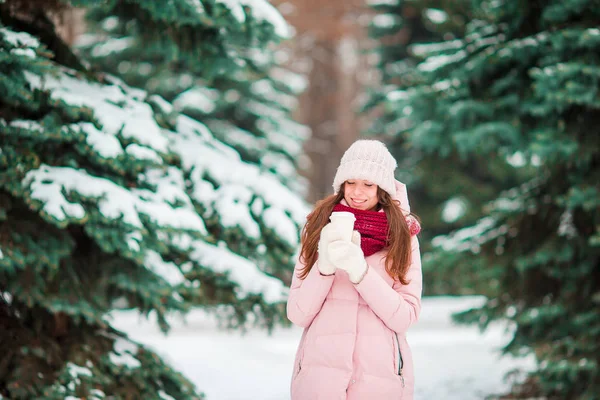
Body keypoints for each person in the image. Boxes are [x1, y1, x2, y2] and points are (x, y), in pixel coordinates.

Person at [287, 139, 422, 400]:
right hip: (319, 381)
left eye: (368, 184)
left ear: (381, 188)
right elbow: (297, 314)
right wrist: (324, 268)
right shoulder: (317, 227)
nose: (357, 192)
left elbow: (405, 316)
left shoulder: (403, 236)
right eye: (351, 182)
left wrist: (360, 272)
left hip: (380, 381)